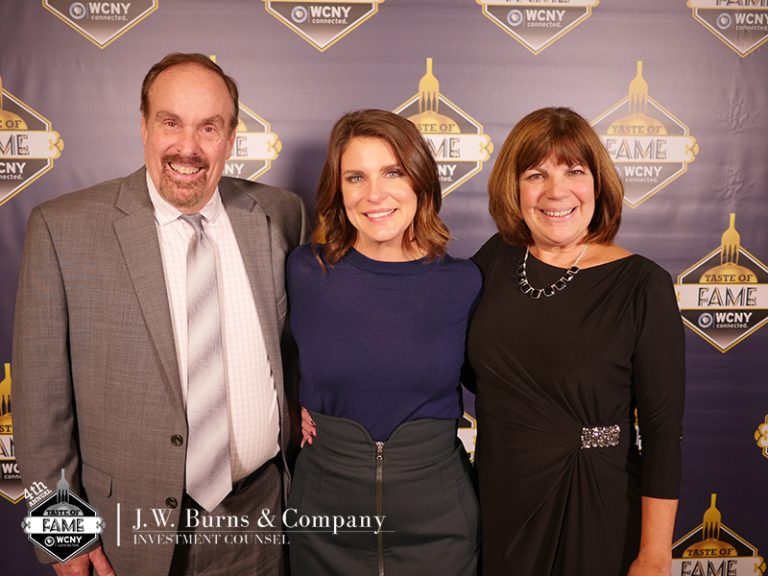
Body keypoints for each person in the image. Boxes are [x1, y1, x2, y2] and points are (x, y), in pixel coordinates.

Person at [12, 53, 308, 576]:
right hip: (125, 534)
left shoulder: (280, 214)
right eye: (171, 122)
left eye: (209, 128)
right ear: (144, 127)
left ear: (230, 138)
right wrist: (62, 537)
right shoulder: (63, 229)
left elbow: (300, 349)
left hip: (260, 524)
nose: (188, 147)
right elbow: (39, 407)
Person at [467, 107, 685, 576]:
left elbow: (663, 434)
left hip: (592, 502)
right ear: (513, 188)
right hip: (500, 502)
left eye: (574, 171)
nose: (556, 191)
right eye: (536, 174)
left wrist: (654, 555)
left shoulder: (641, 284)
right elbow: (437, 355)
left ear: (597, 184)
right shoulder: (495, 259)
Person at [286, 109, 480, 575]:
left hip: (439, 522)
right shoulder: (304, 271)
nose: (374, 194)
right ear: (338, 190)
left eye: (392, 172)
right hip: (324, 517)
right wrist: (289, 407)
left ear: (420, 180)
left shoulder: (464, 282)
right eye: (356, 177)